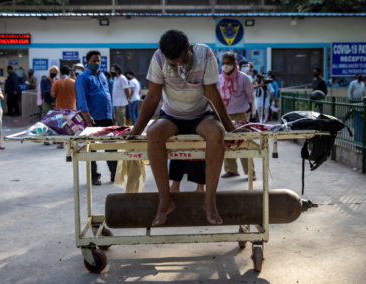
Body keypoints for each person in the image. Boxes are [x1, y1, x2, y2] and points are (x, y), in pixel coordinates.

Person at [127, 30, 236, 226]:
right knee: (153, 133)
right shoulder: (159, 57)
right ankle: (165, 200)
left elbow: (212, 92)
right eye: (172, 62)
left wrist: (230, 127)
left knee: (217, 134)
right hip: (172, 115)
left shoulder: (205, 55)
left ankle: (209, 201)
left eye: (180, 60)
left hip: (201, 115)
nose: (176, 65)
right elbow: (153, 96)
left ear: (189, 49)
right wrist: (135, 130)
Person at [76, 50, 117, 185]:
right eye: (94, 61)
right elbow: (82, 99)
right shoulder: (83, 78)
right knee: (92, 148)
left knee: (111, 146)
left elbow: (107, 95)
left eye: (98, 61)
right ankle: (94, 176)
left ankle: (114, 174)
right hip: (93, 118)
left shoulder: (103, 76)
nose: (97, 63)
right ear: (87, 62)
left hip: (107, 116)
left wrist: (112, 113)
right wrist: (87, 116)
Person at [218, 52, 256, 179]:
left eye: (228, 63)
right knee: (226, 143)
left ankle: (250, 172)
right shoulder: (219, 79)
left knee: (244, 143)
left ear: (235, 64)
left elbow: (251, 98)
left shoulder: (244, 78)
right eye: (223, 63)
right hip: (224, 116)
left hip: (240, 115)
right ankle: (231, 170)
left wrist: (251, 115)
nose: (225, 66)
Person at [51, 65, 77, 149]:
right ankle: (72, 144)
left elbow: (52, 94)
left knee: (61, 125)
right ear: (69, 72)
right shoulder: (74, 82)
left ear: (61, 72)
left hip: (60, 108)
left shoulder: (57, 82)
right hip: (72, 107)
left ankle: (61, 144)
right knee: (71, 126)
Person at [347, 74, 366, 143]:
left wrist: (364, 101)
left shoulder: (363, 84)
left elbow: (364, 94)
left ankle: (357, 134)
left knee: (359, 119)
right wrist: (350, 100)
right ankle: (353, 130)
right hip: (354, 102)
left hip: (360, 102)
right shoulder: (353, 83)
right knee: (354, 117)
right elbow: (349, 92)